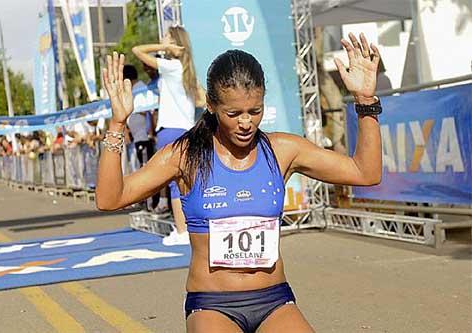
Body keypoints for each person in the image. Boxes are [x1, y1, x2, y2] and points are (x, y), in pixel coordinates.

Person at [97, 32, 382, 332]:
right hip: (212, 305)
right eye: (233, 113)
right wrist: (117, 123)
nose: (245, 123)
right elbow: (110, 198)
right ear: (211, 105)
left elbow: (365, 173)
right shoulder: (185, 155)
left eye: (254, 112)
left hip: (274, 301)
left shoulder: (282, 150)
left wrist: (365, 101)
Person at [132, 26, 201, 245]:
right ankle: (190, 229)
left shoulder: (171, 67)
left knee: (174, 184)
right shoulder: (186, 70)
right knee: (187, 183)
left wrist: (163, 48)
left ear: (175, 43)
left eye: (167, 38)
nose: (162, 41)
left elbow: (138, 50)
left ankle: (182, 231)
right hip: (187, 131)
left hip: (170, 130)